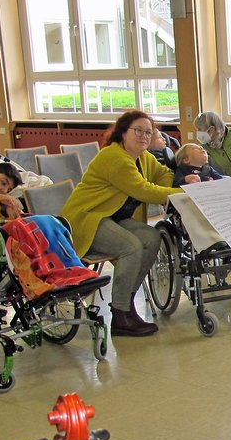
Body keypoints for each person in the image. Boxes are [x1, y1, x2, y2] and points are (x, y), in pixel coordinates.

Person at [61, 110, 182, 337]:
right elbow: (144, 190)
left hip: (113, 217)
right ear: (123, 132)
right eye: (138, 130)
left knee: (151, 237)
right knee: (131, 246)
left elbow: (163, 173)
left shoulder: (143, 157)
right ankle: (121, 313)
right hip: (87, 218)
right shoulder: (114, 157)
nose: (144, 136)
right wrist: (183, 193)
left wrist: (167, 189)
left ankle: (125, 302)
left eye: (148, 132)